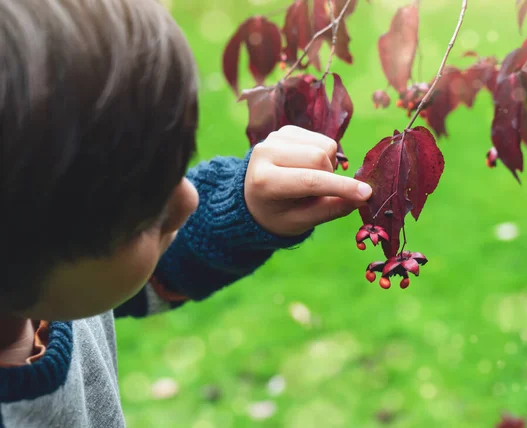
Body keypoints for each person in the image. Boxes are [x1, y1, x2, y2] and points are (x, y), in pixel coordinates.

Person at [0, 0, 373, 426]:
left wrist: (244, 207)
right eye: (146, 215)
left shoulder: (51, 279)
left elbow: (148, 273)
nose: (190, 199)